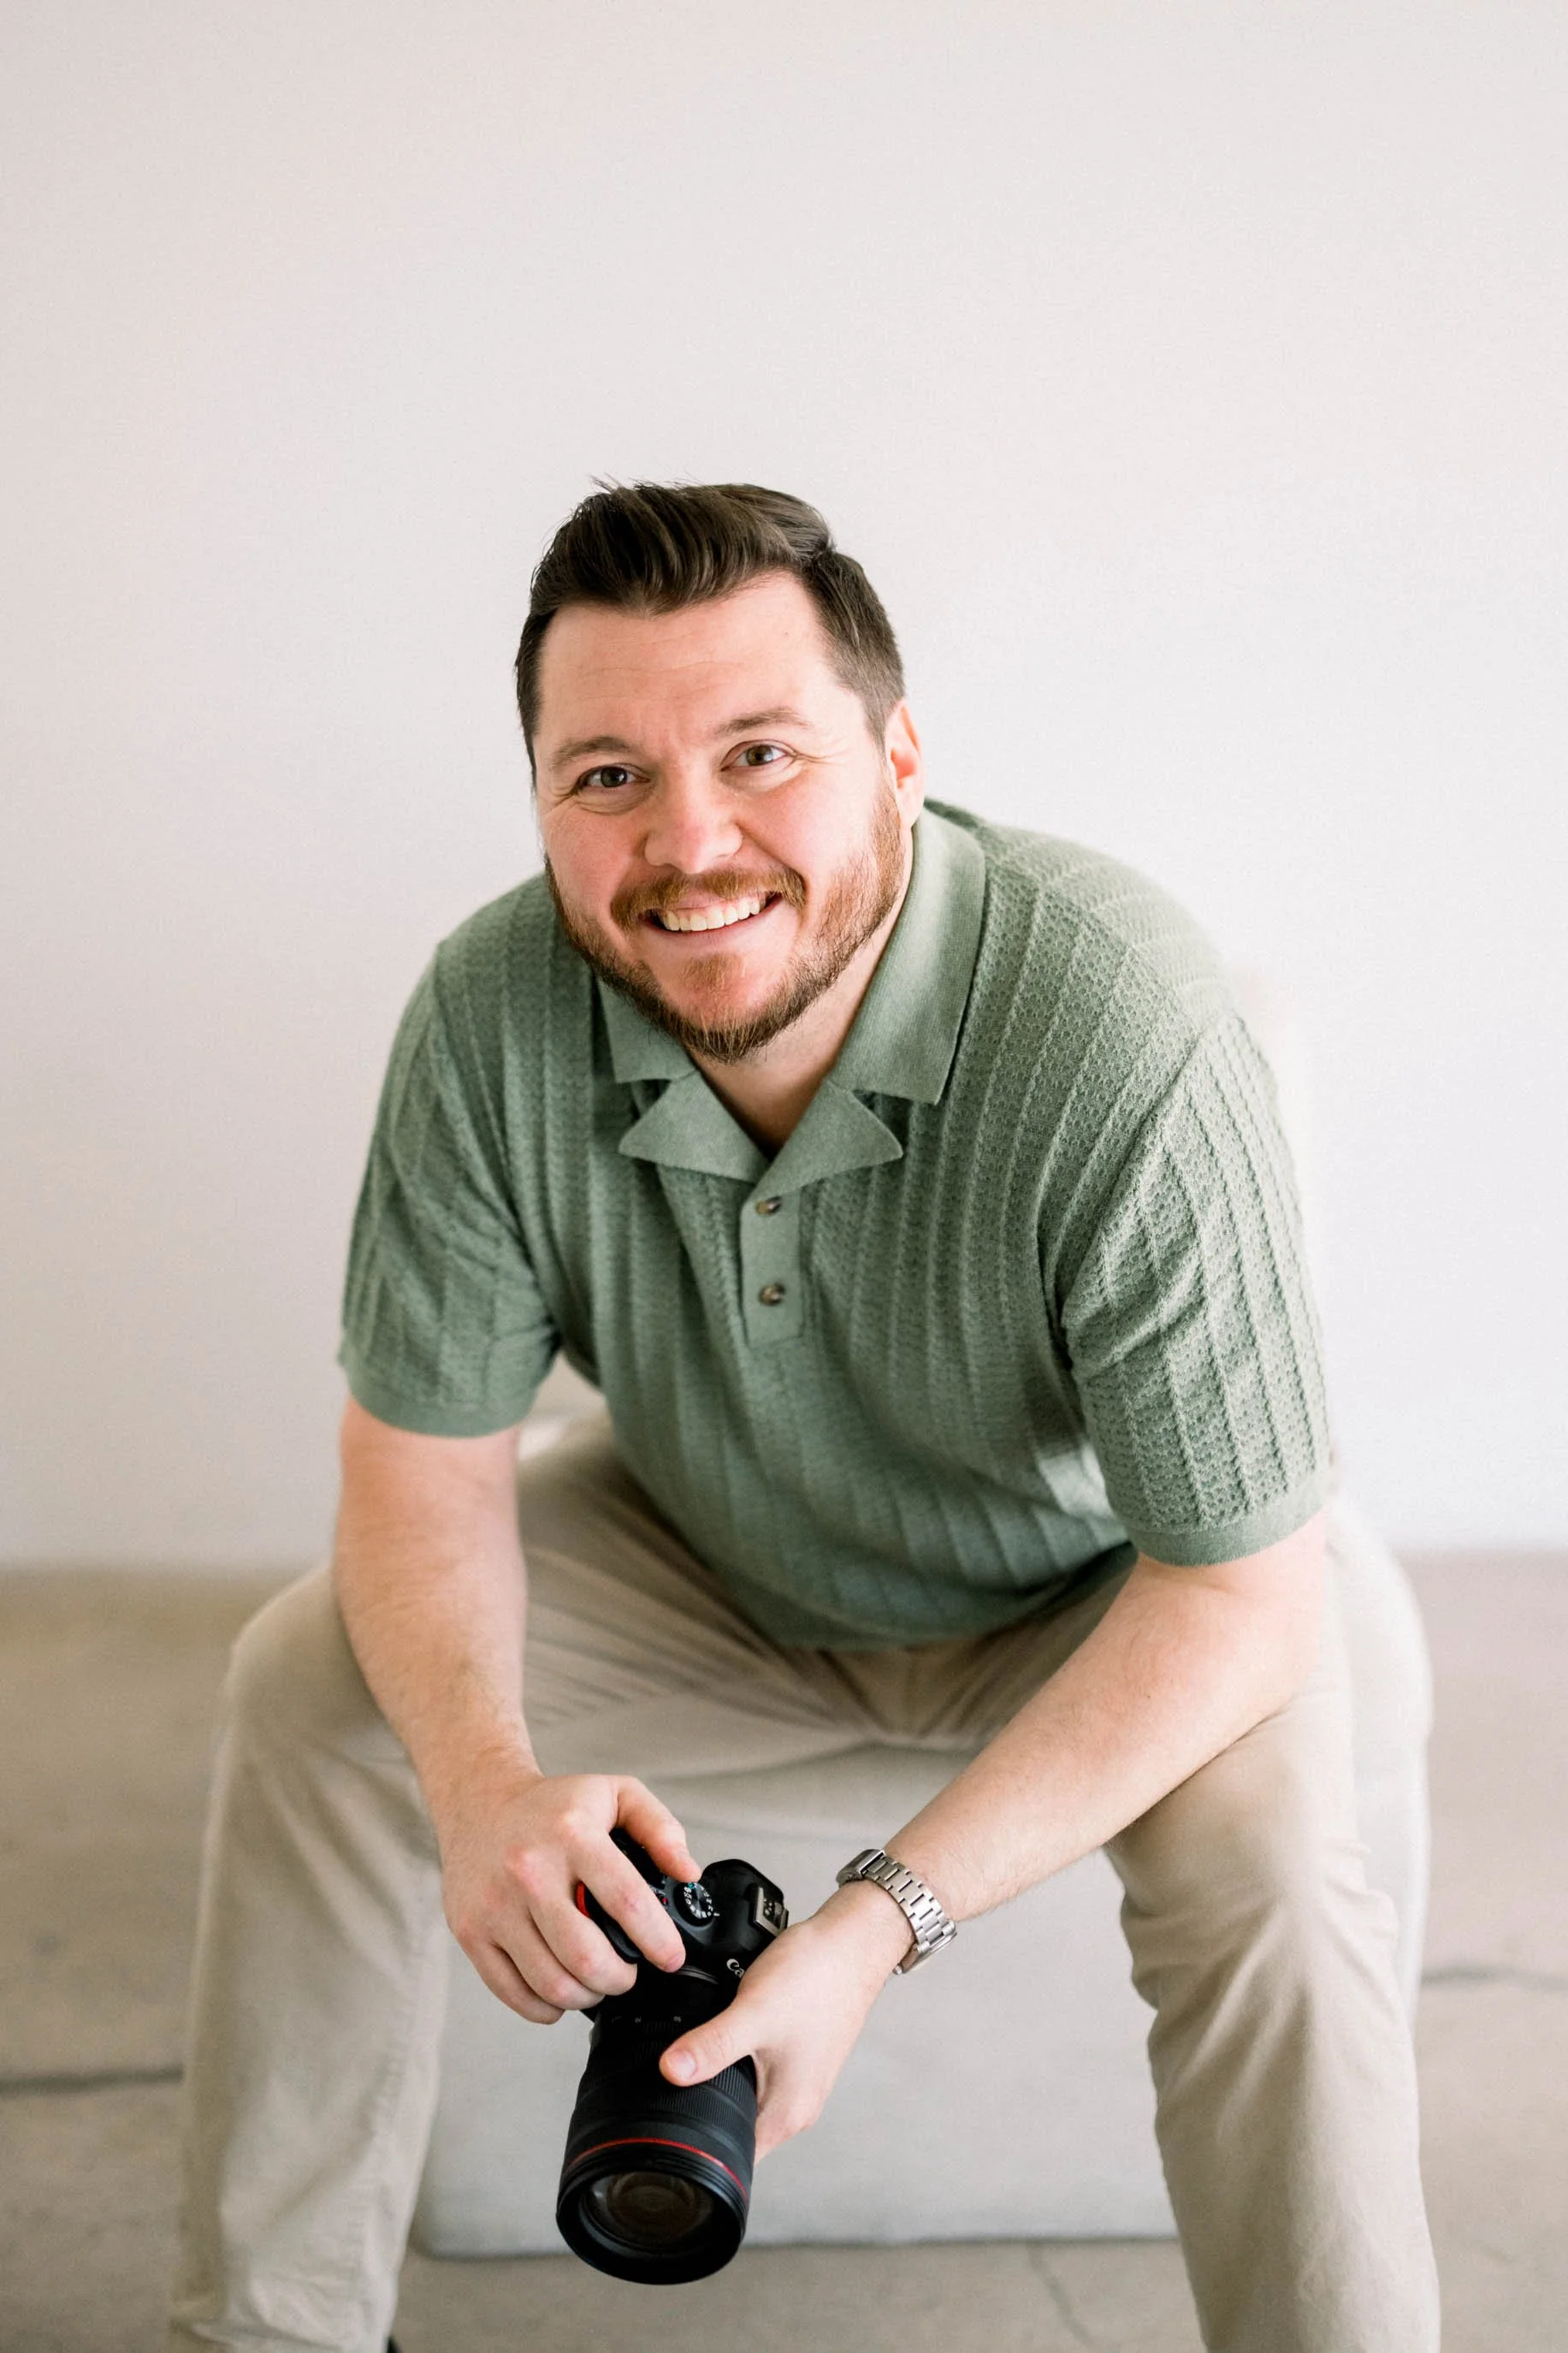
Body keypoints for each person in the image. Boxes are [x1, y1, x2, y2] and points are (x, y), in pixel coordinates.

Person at [169, 483, 1439, 2353]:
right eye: (606, 775)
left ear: (897, 756)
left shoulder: (1118, 1019)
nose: (689, 842)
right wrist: (487, 1788)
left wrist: (870, 1926)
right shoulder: (487, 1014)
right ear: (539, 799)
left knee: (1268, 1875)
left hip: (1111, 1581)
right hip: (717, 1551)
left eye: (758, 752)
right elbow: (421, 1467)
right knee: (309, 1682)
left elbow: (1240, 1588)